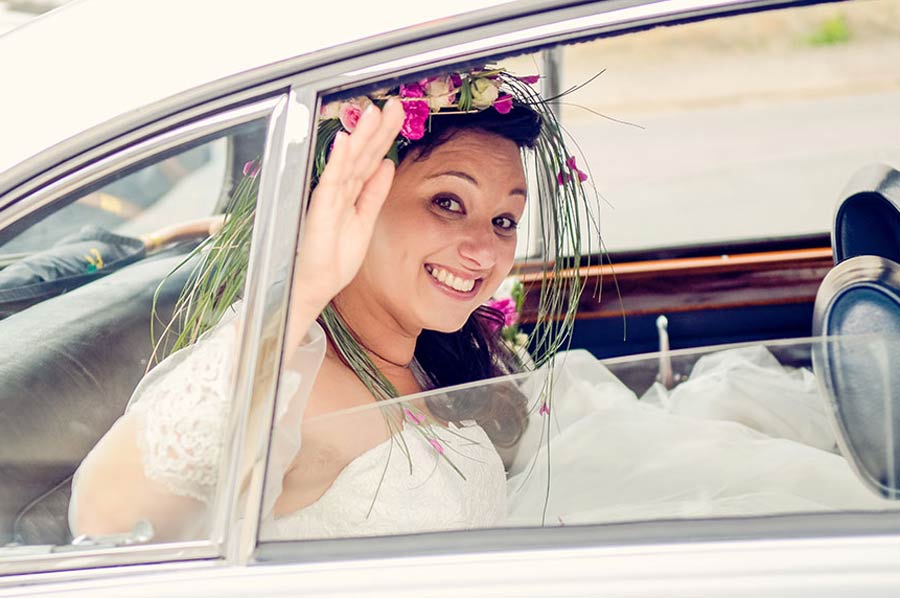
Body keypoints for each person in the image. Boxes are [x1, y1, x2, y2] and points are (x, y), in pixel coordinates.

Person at [69, 68, 575, 542]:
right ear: (352, 201)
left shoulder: (423, 359)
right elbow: (107, 519)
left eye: (504, 220)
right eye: (447, 203)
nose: (484, 250)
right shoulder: (297, 387)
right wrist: (301, 291)